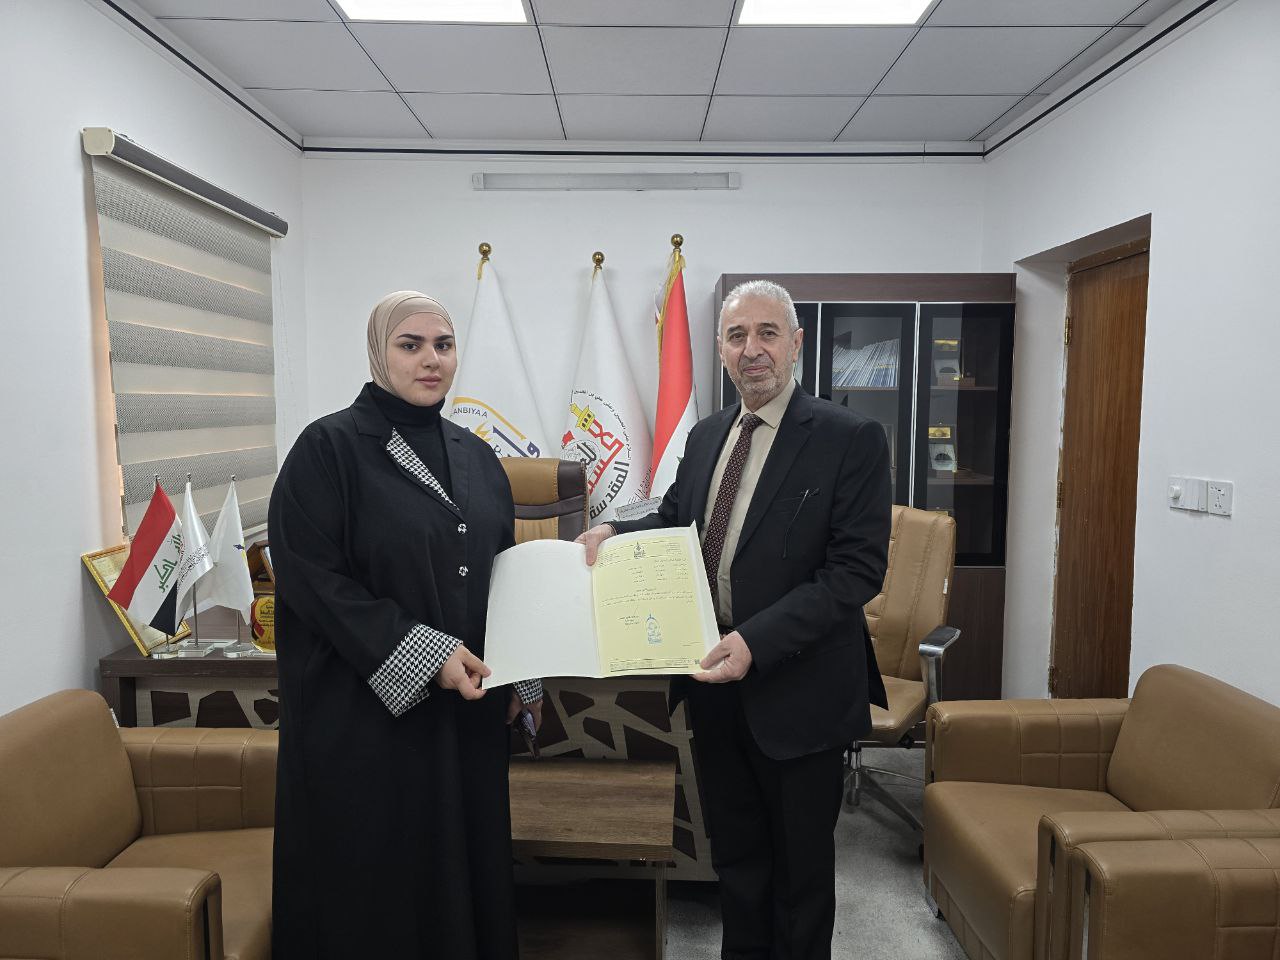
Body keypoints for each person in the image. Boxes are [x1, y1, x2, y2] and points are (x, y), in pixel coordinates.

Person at [578, 280, 891, 960]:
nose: (753, 349)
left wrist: (755, 640)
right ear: (720, 349)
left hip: (802, 691)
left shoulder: (850, 438)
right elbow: (675, 520)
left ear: (796, 343)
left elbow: (855, 572)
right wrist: (614, 532)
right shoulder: (707, 434)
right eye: (737, 336)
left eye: (767, 333)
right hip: (714, 685)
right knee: (739, 865)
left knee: (800, 878)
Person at [269, 290, 543, 960]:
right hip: (366, 725)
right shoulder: (328, 449)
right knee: (380, 892)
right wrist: (426, 655)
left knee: (465, 877)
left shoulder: (476, 455)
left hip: (467, 717)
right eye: (410, 345)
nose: (431, 360)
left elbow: (503, 571)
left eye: (443, 345)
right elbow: (313, 582)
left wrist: (521, 671)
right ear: (378, 354)